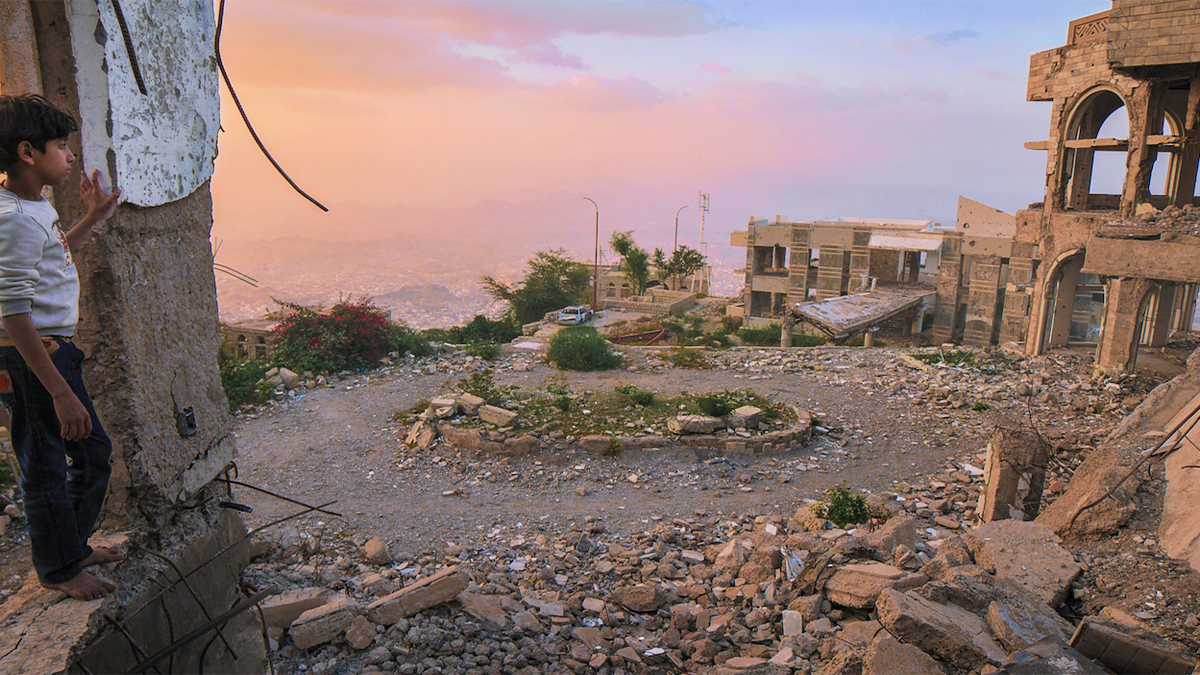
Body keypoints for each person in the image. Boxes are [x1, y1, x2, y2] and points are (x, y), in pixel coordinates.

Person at [0, 93, 122, 600]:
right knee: (47, 464)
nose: (70, 155)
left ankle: (69, 545)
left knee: (92, 452)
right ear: (29, 152)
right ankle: (59, 568)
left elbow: (50, 256)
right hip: (33, 358)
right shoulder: (13, 218)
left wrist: (90, 218)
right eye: (61, 145)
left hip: (52, 352)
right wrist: (59, 392)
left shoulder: (31, 206)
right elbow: (11, 312)